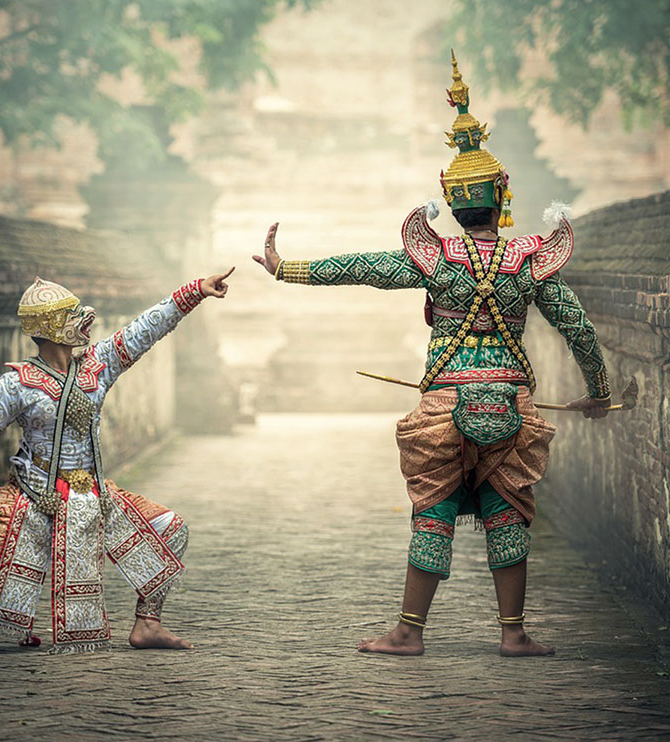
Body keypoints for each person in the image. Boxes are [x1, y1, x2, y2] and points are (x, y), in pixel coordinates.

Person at [252, 54, 611, 657]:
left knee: (434, 511)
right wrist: (597, 392)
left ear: (450, 200)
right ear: (503, 198)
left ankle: (408, 633)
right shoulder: (529, 262)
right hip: (511, 403)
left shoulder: (437, 260)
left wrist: (289, 270)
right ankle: (514, 634)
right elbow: (578, 328)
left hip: (444, 404)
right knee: (507, 510)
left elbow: (364, 269)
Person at [0, 268, 234, 655]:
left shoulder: (98, 364)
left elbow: (145, 328)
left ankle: (148, 623)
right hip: (30, 498)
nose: (84, 321)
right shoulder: (18, 383)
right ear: (52, 327)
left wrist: (194, 292)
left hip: (92, 495)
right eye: (73, 316)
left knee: (170, 527)